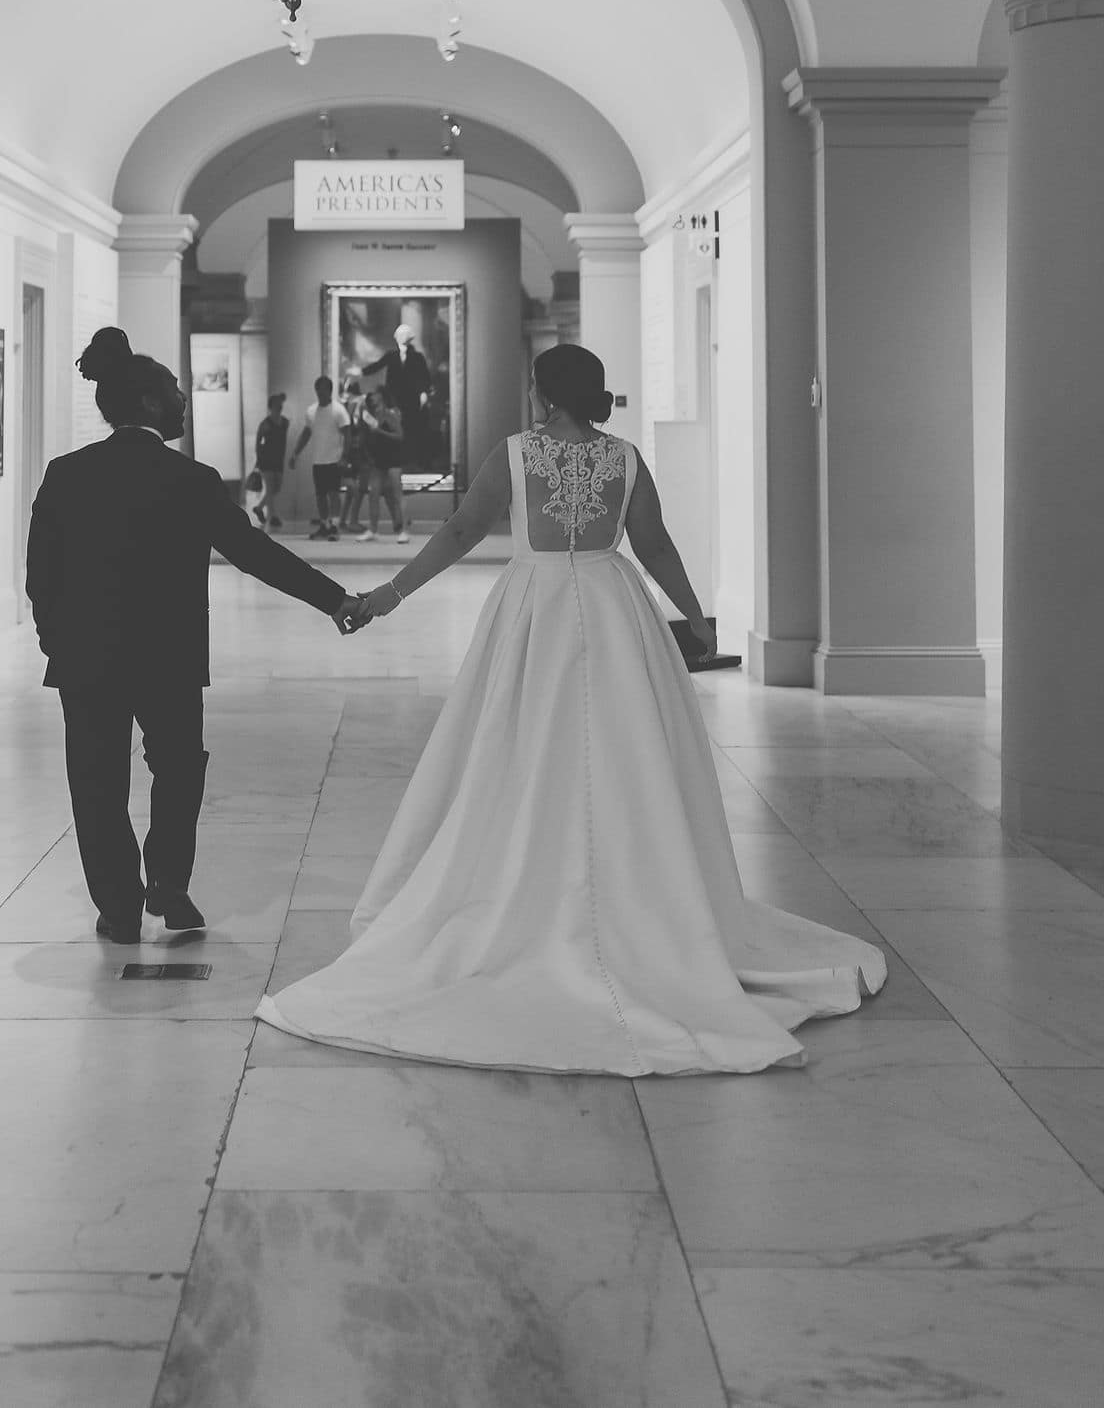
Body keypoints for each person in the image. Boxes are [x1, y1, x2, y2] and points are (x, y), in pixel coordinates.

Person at [256, 342, 887, 1076]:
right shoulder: (623, 458)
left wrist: (385, 599)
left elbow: (462, 532)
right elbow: (651, 543)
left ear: (544, 394)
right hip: (616, 608)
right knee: (629, 756)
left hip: (537, 608)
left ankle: (530, 892)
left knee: (526, 748)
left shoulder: (517, 455)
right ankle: (645, 898)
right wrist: (697, 616)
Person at [26, 328, 369, 946]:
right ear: (153, 405)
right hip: (169, 657)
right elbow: (256, 555)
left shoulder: (66, 474)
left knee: (97, 782)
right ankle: (167, 883)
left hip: (87, 659)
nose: (185, 399)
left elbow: (40, 576)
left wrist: (58, 643)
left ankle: (119, 907)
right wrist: (334, 601)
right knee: (180, 771)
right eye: (177, 391)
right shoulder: (190, 479)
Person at [289, 373, 350, 541]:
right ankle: (324, 524)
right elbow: (306, 433)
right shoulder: (311, 411)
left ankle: (335, 525)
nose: (321, 394)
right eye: (318, 391)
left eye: (323, 391)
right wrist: (296, 453)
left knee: (333, 493)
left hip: (334, 459)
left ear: (330, 391)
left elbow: (347, 434)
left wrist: (345, 456)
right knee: (321, 495)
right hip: (318, 460)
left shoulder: (339, 411)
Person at [361, 323, 433, 465]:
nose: (402, 338)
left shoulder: (418, 357)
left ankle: (411, 461)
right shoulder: (391, 355)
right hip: (393, 398)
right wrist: (361, 372)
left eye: (405, 335)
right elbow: (377, 366)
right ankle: (396, 459)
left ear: (410, 338)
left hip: (411, 399)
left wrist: (423, 392)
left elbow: (425, 377)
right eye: (400, 335)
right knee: (394, 426)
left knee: (411, 429)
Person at [356, 388, 406, 541]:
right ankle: (373, 529)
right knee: (373, 494)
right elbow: (365, 439)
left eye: (375, 396)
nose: (372, 398)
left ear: (382, 398)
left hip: (393, 460)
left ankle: (401, 530)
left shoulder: (390, 415)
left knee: (396, 495)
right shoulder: (369, 416)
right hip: (378, 460)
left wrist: (380, 432)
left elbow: (400, 436)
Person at [337, 375, 369, 534]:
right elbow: (357, 425)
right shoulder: (355, 403)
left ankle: (344, 520)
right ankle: (352, 520)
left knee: (352, 491)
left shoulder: (345, 404)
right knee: (355, 490)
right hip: (350, 452)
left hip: (355, 452)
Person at [255, 392, 289, 530]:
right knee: (270, 488)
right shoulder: (265, 424)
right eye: (276, 405)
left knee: (276, 487)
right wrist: (259, 458)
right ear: (271, 406)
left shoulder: (285, 422)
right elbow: (258, 442)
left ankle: (259, 507)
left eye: (280, 405)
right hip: (266, 460)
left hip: (278, 460)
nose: (279, 407)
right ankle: (271, 518)